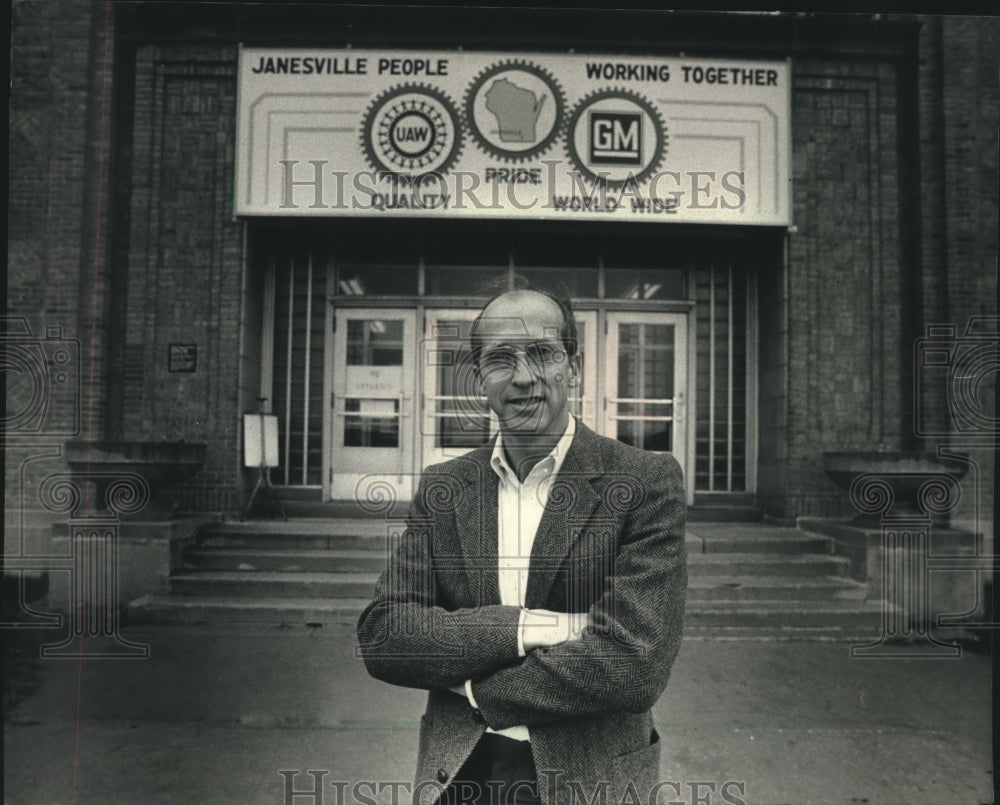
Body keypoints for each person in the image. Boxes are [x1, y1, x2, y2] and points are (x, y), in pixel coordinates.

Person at [356, 287, 687, 805]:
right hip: (459, 770)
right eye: (501, 359)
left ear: (572, 368)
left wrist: (475, 690)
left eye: (542, 353)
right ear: (480, 377)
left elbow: (632, 666)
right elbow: (385, 635)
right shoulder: (445, 487)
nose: (524, 376)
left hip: (589, 777)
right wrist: (527, 627)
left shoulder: (642, 482)